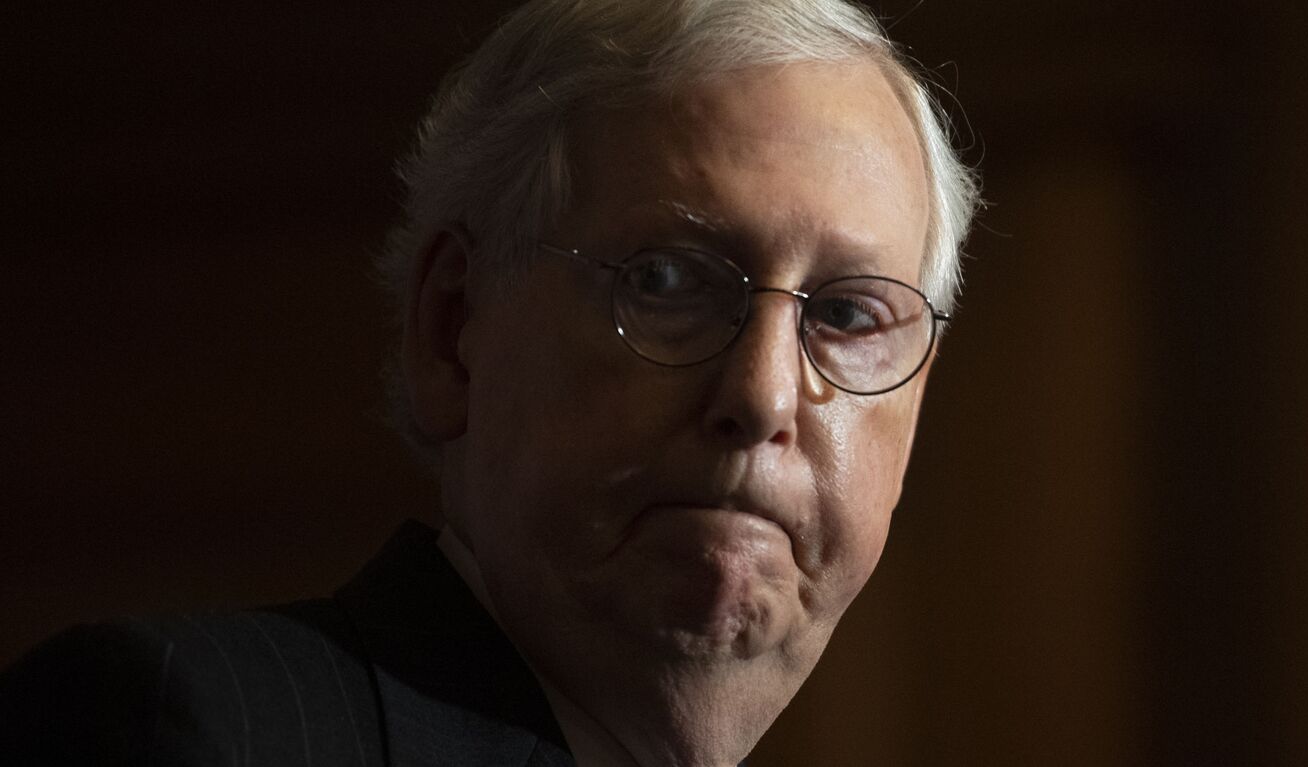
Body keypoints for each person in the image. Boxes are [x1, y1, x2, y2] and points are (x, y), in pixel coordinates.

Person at [0, 0, 978, 764]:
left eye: (846, 314)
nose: (762, 395)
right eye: (667, 279)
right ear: (453, 329)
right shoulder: (183, 728)